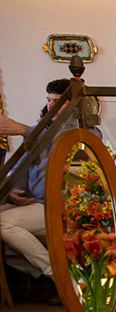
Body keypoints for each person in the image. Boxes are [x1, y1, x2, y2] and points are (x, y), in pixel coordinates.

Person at [0, 78, 81, 282]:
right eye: (48, 100)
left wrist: (23, 130)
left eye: (57, 101)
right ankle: (54, 275)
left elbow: (62, 141)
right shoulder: (40, 131)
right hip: (36, 203)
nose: (50, 106)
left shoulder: (80, 129)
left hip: (60, 207)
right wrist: (13, 192)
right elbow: (22, 165)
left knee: (3, 224)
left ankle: (59, 275)